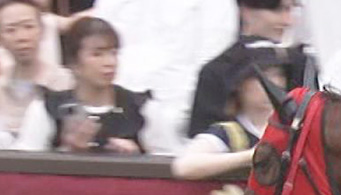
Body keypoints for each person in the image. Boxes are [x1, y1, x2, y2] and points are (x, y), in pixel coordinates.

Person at [13, 15, 176, 153]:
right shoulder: (46, 108)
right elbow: (24, 166)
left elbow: (169, 162)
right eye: (97, 54)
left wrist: (137, 159)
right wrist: (68, 152)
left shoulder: (142, 109)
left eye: (113, 53)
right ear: (73, 63)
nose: (110, 62)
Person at [92, 0, 237, 134]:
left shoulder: (215, 5)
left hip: (175, 99)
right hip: (113, 92)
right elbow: (96, 40)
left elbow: (212, 64)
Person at [188, 0, 310, 137]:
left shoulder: (301, 65)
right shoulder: (216, 72)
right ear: (246, 10)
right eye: (276, 10)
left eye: (290, 10)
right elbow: (202, 139)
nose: (288, 21)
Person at [172, 55, 286, 179]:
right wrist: (249, 156)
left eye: (279, 75)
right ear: (240, 85)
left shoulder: (291, 127)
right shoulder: (230, 132)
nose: (276, 83)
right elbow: (184, 166)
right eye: (264, 76)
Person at [0, 0, 72, 147]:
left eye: (28, 27)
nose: (21, 37)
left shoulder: (65, 83)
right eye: (11, 30)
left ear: (42, 30)